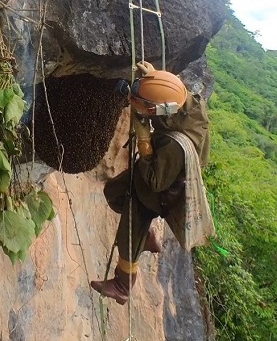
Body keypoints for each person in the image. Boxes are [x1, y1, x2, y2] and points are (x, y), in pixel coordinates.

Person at [90, 61, 215, 305]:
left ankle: (122, 286)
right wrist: (154, 80)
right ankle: (147, 237)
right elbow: (168, 92)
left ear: (163, 110)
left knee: (128, 233)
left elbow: (155, 181)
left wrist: (145, 143)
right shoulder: (187, 103)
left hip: (157, 190)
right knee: (113, 192)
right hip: (158, 170)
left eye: (147, 106)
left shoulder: (176, 145)